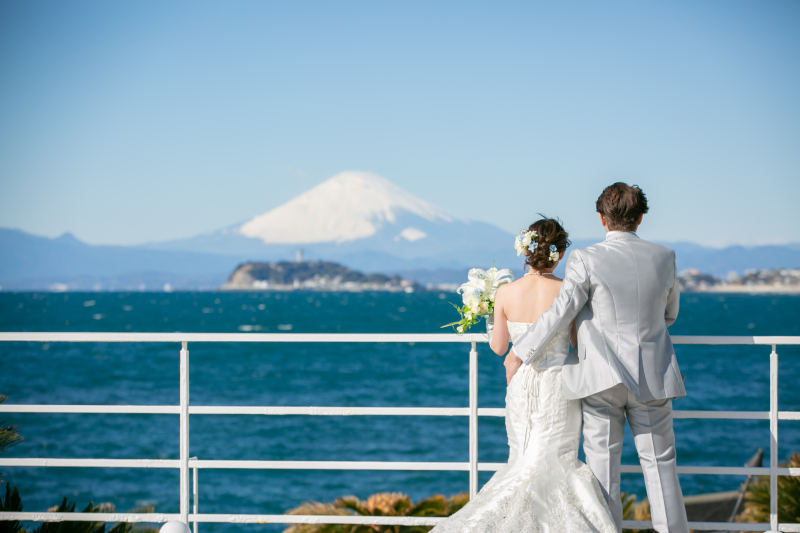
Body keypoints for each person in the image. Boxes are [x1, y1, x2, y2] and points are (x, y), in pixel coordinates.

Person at [507, 183, 689, 533]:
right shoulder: (665, 256)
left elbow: (562, 311)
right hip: (652, 375)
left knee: (603, 473)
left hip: (601, 378)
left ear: (602, 218)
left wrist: (520, 352)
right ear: (640, 217)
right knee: (661, 466)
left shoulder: (585, 259)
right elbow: (670, 314)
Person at [431, 217, 617, 533]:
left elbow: (498, 348)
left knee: (522, 460)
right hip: (558, 386)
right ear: (559, 253)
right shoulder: (568, 291)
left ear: (525, 251)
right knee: (556, 461)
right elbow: (577, 343)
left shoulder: (505, 293)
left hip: (520, 386)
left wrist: (490, 314)